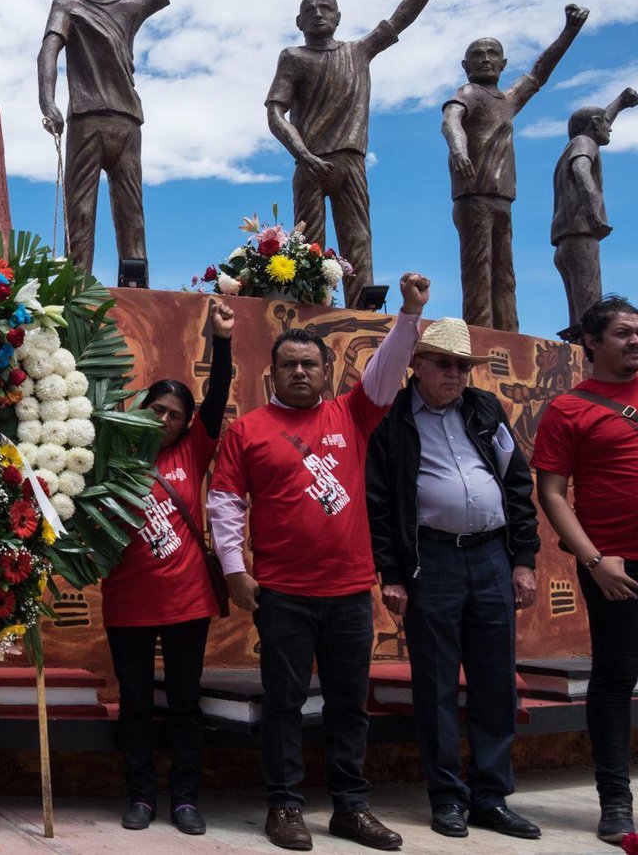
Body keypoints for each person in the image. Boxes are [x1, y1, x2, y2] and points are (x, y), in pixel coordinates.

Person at [209, 272, 429, 852]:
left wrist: (409, 314)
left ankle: (350, 809)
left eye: (310, 364)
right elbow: (226, 503)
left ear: (325, 372)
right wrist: (234, 569)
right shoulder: (249, 432)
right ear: (273, 373)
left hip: (351, 593)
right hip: (282, 594)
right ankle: (284, 805)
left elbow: (386, 368)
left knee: (347, 705)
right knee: (283, 704)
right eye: (290, 365)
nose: (301, 371)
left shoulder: (354, 416)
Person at [366, 317, 541, 839]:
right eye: (443, 363)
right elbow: (378, 502)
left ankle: (491, 796)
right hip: (432, 561)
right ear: (416, 365)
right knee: (437, 684)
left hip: (491, 556)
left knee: (494, 683)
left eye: (462, 366)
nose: (454, 374)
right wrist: (391, 574)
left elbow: (517, 482)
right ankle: (446, 797)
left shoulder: (485, 409)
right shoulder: (393, 419)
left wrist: (524, 559)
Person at [100, 298, 234, 835]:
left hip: (186, 600)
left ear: (186, 425)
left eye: (175, 415)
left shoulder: (193, 452)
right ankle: (139, 796)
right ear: (140, 409)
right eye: (156, 409)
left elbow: (218, 396)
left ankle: (184, 799)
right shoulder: (109, 452)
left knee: (184, 702)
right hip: (127, 601)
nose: (164, 419)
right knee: (134, 704)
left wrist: (221, 340)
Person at [266, 0, 452, 308]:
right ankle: (314, 309)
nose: (319, 13)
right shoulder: (293, 57)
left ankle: (362, 314)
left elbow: (403, 16)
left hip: (350, 160)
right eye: (310, 9)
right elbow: (275, 113)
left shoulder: (358, 51)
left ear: (338, 17)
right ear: (299, 22)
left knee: (358, 241)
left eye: (326, 8)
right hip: (309, 163)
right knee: (308, 245)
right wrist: (304, 155)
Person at [37, 0, 192, 281]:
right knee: (80, 211)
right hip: (85, 120)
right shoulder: (66, 5)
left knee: (130, 210)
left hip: (125, 121)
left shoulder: (130, 7)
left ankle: (136, 287)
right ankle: (75, 289)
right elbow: (48, 51)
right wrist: (48, 101)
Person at [531, 295, 638, 845]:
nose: (635, 340)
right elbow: (552, 494)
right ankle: (616, 800)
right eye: (623, 332)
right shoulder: (568, 409)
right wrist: (594, 561)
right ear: (591, 343)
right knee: (617, 679)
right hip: (617, 567)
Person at [441, 5, 587, 331]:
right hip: (473, 197)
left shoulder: (507, 100)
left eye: (493, 53)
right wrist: (459, 150)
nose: (486, 59)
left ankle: (509, 336)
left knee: (505, 275)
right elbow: (451, 120)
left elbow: (539, 73)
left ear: (504, 63)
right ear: (465, 66)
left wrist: (570, 31)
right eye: (477, 54)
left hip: (503, 198)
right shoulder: (468, 93)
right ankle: (479, 336)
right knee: (479, 273)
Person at [552, 89, 637, 332]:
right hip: (581, 237)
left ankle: (578, 360)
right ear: (594, 124)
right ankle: (591, 366)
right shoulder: (584, 143)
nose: (610, 129)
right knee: (592, 320)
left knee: (580, 320)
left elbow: (601, 121)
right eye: (605, 123)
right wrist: (594, 213)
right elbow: (581, 169)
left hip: (565, 242)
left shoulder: (572, 145)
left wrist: (620, 103)